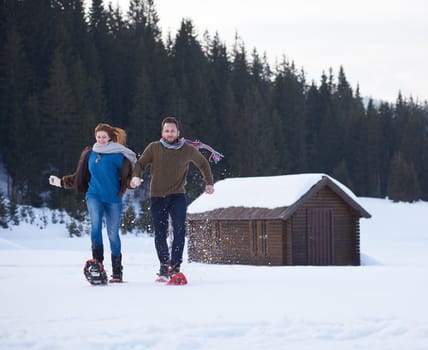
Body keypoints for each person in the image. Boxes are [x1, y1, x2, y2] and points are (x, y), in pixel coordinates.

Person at [130, 116, 223, 281]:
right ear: (162, 132)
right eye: (167, 130)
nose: (170, 133)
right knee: (160, 232)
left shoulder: (187, 149)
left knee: (180, 230)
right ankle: (165, 266)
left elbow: (203, 163)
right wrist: (136, 177)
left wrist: (209, 183)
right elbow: (140, 164)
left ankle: (176, 267)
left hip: (177, 195)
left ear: (178, 132)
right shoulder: (154, 148)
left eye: (172, 130)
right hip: (157, 196)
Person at [48, 123, 137, 283]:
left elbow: (128, 177)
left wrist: (133, 182)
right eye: (98, 137)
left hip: (113, 199)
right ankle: (97, 266)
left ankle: (117, 272)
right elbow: (79, 176)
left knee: (113, 234)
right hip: (94, 195)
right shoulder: (90, 154)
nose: (101, 139)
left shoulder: (118, 155)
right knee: (95, 226)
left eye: (104, 136)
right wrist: (61, 182)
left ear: (110, 137)